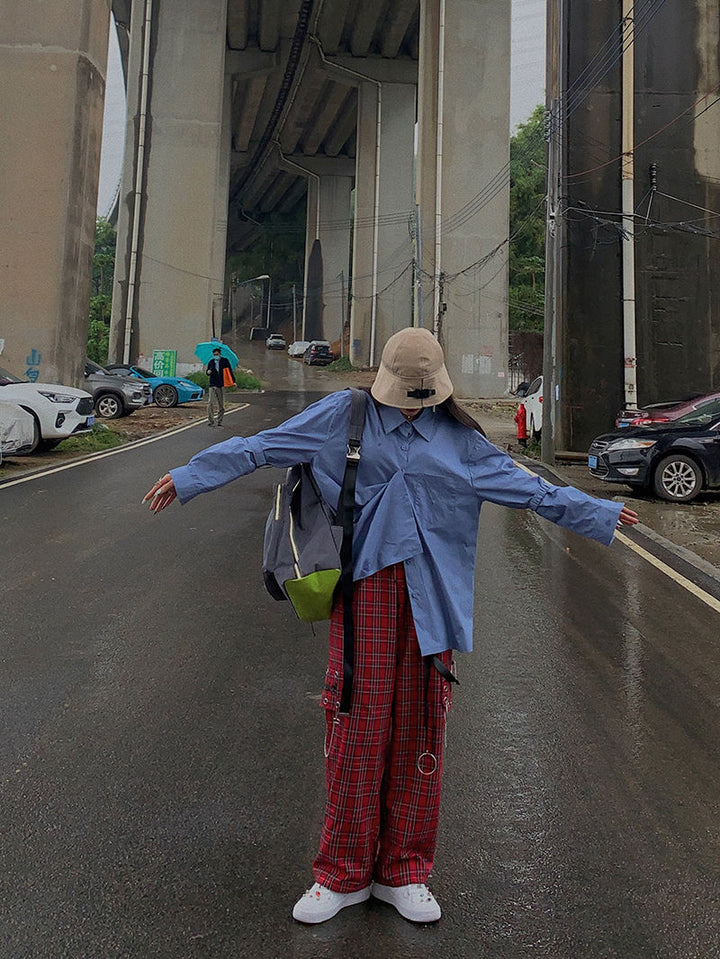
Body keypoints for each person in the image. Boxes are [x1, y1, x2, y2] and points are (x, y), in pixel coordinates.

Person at [143, 327, 638, 926]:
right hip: (365, 594)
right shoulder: (344, 416)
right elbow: (263, 446)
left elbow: (529, 491)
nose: (412, 403)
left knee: (421, 729)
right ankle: (342, 873)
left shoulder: (462, 441)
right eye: (406, 392)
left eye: (422, 395)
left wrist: (598, 513)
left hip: (435, 600)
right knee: (356, 725)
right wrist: (192, 475)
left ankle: (405, 870)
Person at [205, 347, 233, 426]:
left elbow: (229, 371)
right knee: (210, 402)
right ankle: (211, 420)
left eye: (217, 354)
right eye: (214, 355)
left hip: (220, 384)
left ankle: (219, 420)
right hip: (212, 384)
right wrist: (208, 372)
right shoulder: (211, 362)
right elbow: (207, 372)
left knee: (221, 404)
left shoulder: (224, 361)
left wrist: (233, 381)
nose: (215, 356)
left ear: (220, 354)